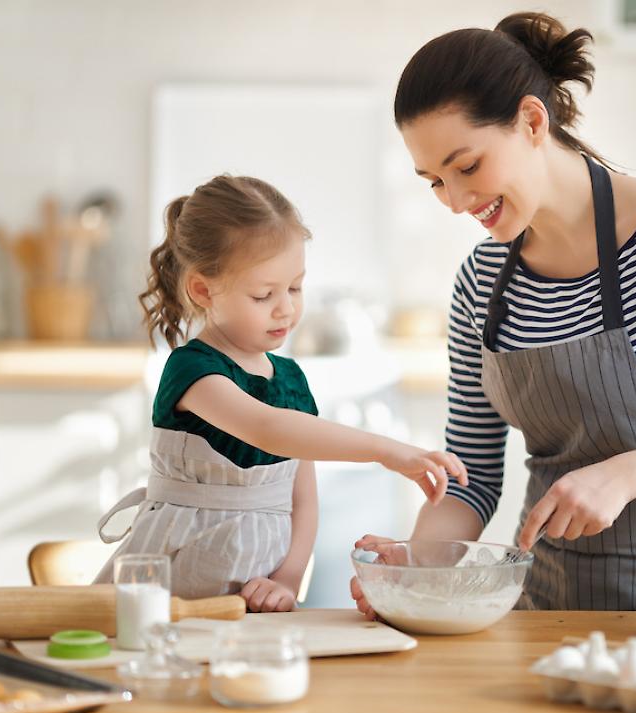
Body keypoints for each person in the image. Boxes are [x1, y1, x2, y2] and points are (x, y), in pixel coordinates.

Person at [352, 11, 636, 614]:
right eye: (434, 181)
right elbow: (474, 477)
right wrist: (414, 567)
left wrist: (626, 475)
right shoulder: (481, 282)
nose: (457, 202)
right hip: (543, 602)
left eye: (467, 167)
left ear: (532, 121)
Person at [95, 174, 466, 611]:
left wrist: (287, 580)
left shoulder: (290, 379)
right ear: (202, 289)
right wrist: (388, 452)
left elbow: (303, 500)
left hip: (253, 605)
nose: (286, 308)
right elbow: (267, 429)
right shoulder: (193, 370)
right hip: (169, 593)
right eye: (264, 294)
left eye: (295, 287)